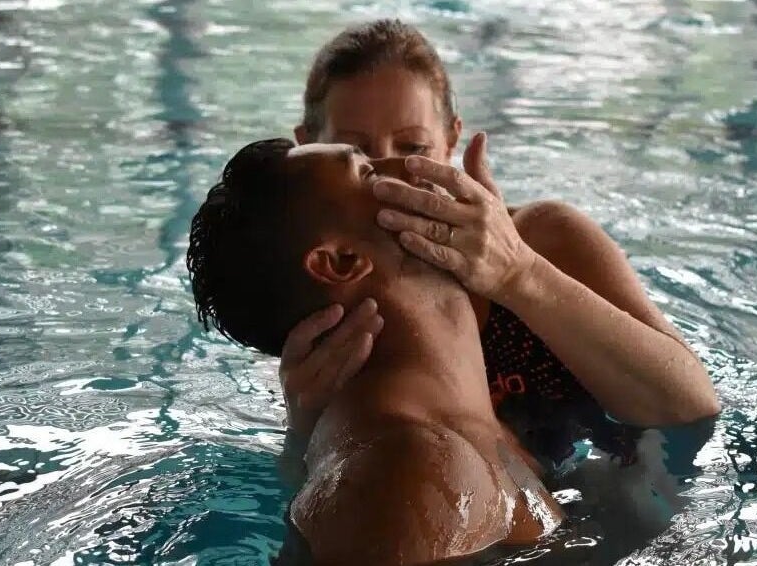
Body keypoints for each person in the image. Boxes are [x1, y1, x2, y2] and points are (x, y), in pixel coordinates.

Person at [280, 19, 720, 469]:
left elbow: (691, 407)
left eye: (414, 145)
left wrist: (517, 274)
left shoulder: (546, 239)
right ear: (307, 151)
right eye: (360, 156)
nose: (391, 169)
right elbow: (329, 496)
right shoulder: (328, 294)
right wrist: (303, 426)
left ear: (451, 140)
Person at [187, 139, 563, 564]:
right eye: (369, 173)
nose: (410, 167)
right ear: (343, 261)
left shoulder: (448, 435)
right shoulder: (410, 471)